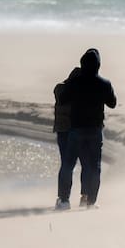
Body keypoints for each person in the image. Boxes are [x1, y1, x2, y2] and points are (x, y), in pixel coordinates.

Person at [60, 48, 117, 208]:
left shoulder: (75, 82)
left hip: (76, 129)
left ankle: (64, 201)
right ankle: (90, 202)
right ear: (98, 65)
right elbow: (112, 103)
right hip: (95, 130)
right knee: (94, 166)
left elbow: (63, 99)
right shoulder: (104, 84)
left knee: (68, 164)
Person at [53, 65, 81, 209]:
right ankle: (82, 197)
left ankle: (63, 198)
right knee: (79, 164)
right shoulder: (78, 92)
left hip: (62, 131)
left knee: (66, 165)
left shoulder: (59, 89)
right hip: (75, 131)